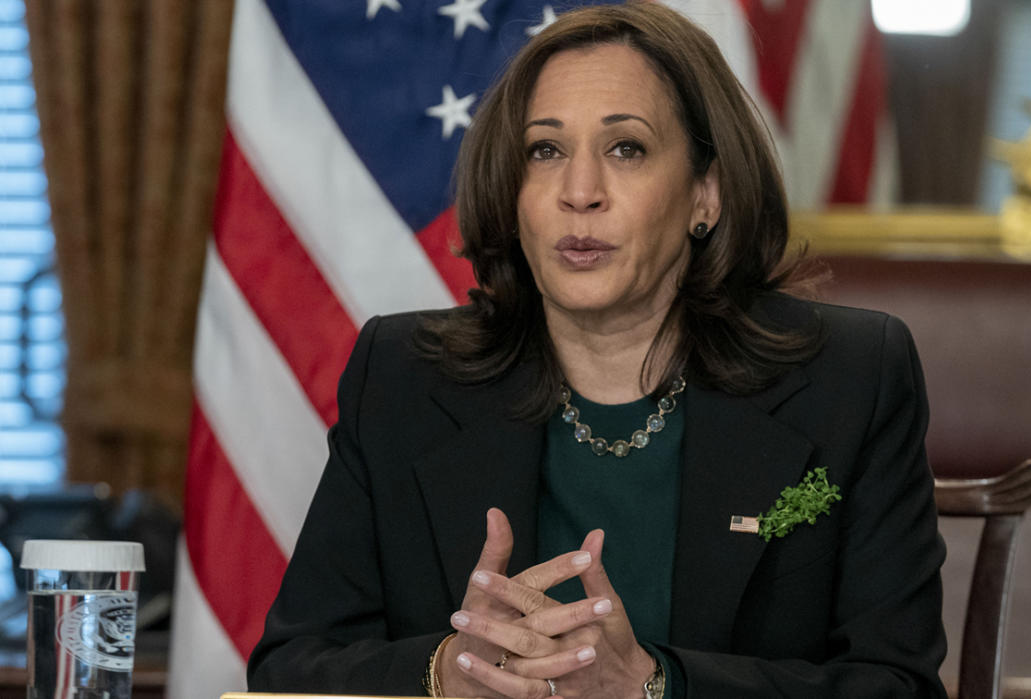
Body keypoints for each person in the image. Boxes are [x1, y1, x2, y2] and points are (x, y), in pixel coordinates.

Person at [247, 3, 947, 698]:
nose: (580, 193)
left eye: (627, 148)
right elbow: (290, 666)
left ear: (707, 192)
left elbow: (895, 684)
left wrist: (653, 685)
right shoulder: (404, 376)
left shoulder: (849, 380)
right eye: (544, 151)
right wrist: (448, 672)